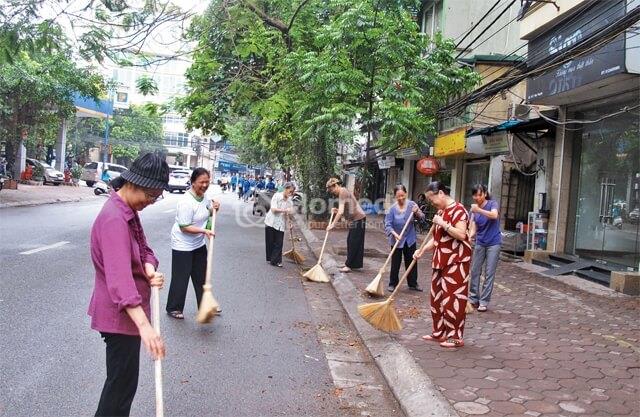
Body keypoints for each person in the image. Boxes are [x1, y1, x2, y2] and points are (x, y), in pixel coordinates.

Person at [88, 153, 167, 416]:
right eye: (151, 196)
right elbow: (120, 281)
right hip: (120, 318)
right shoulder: (114, 219)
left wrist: (148, 267)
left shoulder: (129, 211)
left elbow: (144, 249)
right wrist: (146, 328)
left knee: (122, 388)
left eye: (156, 197)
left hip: (128, 318)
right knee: (118, 391)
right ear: (133, 184)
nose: (151, 202)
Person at [414, 181, 472, 348]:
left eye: (432, 199)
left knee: (453, 299)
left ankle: (455, 337)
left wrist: (443, 223)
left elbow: (461, 234)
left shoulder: (459, 210)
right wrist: (423, 249)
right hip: (440, 260)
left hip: (456, 262)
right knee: (437, 298)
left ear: (440, 193)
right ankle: (439, 332)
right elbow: (438, 239)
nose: (431, 202)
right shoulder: (442, 211)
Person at [166, 168, 220, 319]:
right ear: (193, 182)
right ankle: (174, 307)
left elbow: (207, 212)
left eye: (207, 182)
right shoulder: (186, 202)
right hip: (182, 244)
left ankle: (205, 306)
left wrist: (214, 209)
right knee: (181, 277)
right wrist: (205, 232)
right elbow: (184, 227)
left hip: (197, 243)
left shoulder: (204, 197)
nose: (204, 185)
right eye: (201, 182)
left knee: (201, 276)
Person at [384, 184, 425, 292]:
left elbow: (422, 218)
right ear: (395, 196)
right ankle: (392, 283)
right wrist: (394, 234)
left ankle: (413, 283)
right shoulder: (391, 209)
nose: (401, 198)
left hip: (410, 239)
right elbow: (388, 225)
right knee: (395, 262)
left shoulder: (412, 205)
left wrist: (417, 212)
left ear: (406, 194)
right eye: (398, 196)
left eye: (403, 195)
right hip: (396, 239)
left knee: (412, 261)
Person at [468, 184, 501, 312]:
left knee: (489, 273)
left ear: (485, 194)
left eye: (480, 195)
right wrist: (470, 236)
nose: (477, 197)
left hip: (494, 243)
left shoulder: (492, 204)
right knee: (475, 271)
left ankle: (484, 301)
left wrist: (478, 210)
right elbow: (473, 225)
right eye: (475, 195)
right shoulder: (473, 210)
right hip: (480, 242)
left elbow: (494, 215)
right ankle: (473, 298)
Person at [326, 177, 367, 273]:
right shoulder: (342, 192)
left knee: (353, 242)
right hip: (356, 219)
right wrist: (336, 211)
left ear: (335, 185)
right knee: (351, 241)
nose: (332, 192)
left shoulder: (342, 192)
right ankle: (351, 264)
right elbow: (343, 209)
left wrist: (332, 224)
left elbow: (341, 212)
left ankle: (348, 265)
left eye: (332, 189)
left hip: (359, 218)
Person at [265, 182, 295, 267]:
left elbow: (289, 213)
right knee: (270, 241)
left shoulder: (289, 201)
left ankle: (276, 260)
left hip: (281, 223)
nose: (291, 193)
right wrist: (285, 210)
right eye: (290, 191)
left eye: (292, 192)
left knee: (279, 242)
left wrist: (290, 222)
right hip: (271, 221)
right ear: (285, 189)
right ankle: (271, 258)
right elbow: (273, 210)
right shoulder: (277, 196)